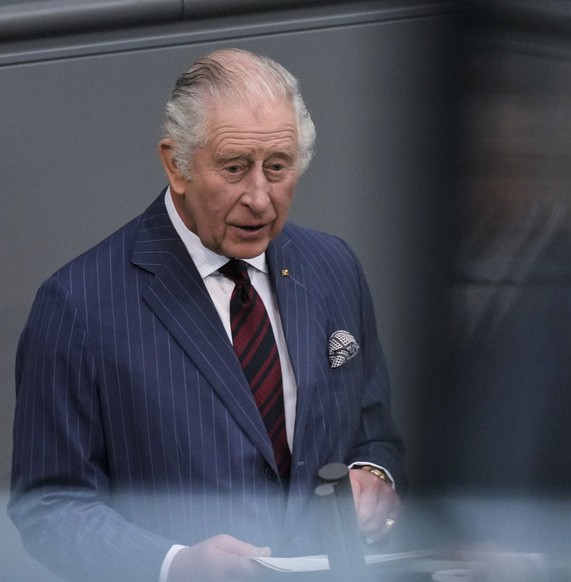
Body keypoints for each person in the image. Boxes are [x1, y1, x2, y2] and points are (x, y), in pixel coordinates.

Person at [8, 48, 405, 582]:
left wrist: (373, 475)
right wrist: (172, 565)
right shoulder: (77, 304)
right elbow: (49, 506)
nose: (260, 198)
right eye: (235, 168)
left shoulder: (334, 267)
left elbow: (374, 434)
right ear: (177, 164)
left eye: (278, 167)